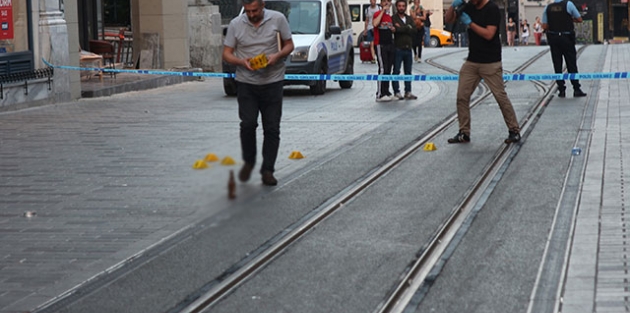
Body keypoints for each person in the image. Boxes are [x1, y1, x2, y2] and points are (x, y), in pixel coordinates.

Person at [222, 0, 295, 186]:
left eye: (255, 10)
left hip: (273, 81)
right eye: (248, 11)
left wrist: (276, 56)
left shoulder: (278, 19)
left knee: (271, 127)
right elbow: (227, 53)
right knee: (247, 124)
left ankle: (268, 170)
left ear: (262, 6)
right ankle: (249, 161)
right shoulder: (235, 24)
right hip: (246, 82)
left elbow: (289, 45)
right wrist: (241, 62)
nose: (252, 14)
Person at [445, 0, 521, 144]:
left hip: (490, 62)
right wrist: (453, 6)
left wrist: (470, 23)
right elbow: (449, 19)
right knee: (462, 96)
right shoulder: (469, 6)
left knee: (500, 96)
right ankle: (464, 132)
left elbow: (489, 34)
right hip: (472, 60)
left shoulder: (492, 8)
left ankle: (514, 130)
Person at [543, 0, 587, 98]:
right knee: (571, 63)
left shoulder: (548, 7)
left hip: (554, 39)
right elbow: (579, 19)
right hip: (567, 38)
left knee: (557, 64)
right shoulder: (569, 4)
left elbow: (544, 25)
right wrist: (569, 19)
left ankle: (561, 90)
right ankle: (576, 88)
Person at [392, 0, 418, 100]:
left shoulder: (409, 18)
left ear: (405, 7)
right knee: (396, 71)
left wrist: (401, 28)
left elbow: (414, 30)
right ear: (397, 7)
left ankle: (408, 91)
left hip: (408, 48)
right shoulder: (394, 18)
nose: (401, 8)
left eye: (403, 6)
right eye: (399, 6)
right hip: (398, 48)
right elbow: (395, 30)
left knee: (408, 72)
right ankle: (396, 92)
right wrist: (407, 28)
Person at [373, 0, 396, 102]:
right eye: (384, 1)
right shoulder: (378, 14)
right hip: (380, 44)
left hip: (389, 44)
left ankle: (386, 91)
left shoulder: (390, 16)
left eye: (388, 1)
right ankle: (379, 93)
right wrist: (382, 11)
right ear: (381, 3)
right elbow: (375, 24)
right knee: (382, 68)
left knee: (388, 69)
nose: (386, 3)